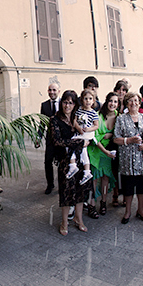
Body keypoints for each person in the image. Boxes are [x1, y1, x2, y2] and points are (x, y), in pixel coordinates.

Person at [113, 92, 143, 225]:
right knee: (128, 188)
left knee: (142, 187)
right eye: (130, 101)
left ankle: (141, 210)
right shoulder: (121, 119)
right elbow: (116, 138)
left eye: (136, 100)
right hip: (127, 159)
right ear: (127, 103)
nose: (134, 103)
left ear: (139, 102)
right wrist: (129, 140)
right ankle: (127, 211)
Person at [51, 90, 91, 236]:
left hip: (80, 160)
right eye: (65, 102)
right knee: (66, 192)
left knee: (80, 191)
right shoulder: (55, 119)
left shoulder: (77, 117)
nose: (67, 105)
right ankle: (64, 222)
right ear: (61, 103)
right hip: (65, 162)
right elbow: (57, 141)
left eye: (71, 102)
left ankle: (78, 219)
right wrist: (78, 142)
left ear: (75, 104)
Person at [87, 92, 119, 217]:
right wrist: (105, 150)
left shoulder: (119, 116)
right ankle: (92, 204)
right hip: (97, 150)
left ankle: (104, 202)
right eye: (111, 101)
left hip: (110, 152)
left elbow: (119, 133)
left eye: (115, 101)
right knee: (94, 179)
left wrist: (110, 135)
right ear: (107, 101)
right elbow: (95, 137)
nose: (113, 104)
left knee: (105, 178)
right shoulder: (98, 116)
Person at [67, 89, 99, 185]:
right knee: (82, 151)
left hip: (87, 134)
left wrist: (88, 129)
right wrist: (78, 128)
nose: (88, 101)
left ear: (93, 101)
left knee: (75, 145)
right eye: (86, 99)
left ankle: (73, 165)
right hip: (80, 132)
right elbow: (75, 121)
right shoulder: (79, 110)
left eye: (90, 99)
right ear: (82, 100)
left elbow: (96, 126)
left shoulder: (93, 113)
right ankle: (86, 171)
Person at [39, 82, 60, 194]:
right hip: (50, 139)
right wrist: (38, 137)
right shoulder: (44, 105)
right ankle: (50, 184)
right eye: (50, 90)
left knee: (62, 163)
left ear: (58, 91)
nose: (51, 92)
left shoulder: (63, 103)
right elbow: (42, 123)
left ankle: (62, 184)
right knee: (47, 162)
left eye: (54, 90)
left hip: (61, 139)